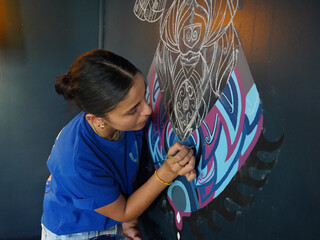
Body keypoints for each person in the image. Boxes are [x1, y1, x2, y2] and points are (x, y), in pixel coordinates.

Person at [41, 49, 196, 240]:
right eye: (133, 110)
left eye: (144, 96)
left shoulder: (124, 121)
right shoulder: (76, 161)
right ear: (98, 120)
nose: (147, 110)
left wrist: (180, 156)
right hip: (75, 231)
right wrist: (168, 172)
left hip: (109, 220)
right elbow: (123, 211)